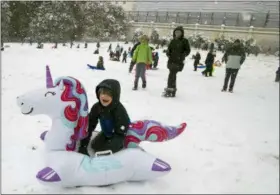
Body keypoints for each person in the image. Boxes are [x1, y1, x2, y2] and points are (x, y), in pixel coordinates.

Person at [78, 79, 131, 156]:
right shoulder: (97, 107)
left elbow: (122, 130)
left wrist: (113, 142)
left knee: (106, 151)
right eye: (102, 93)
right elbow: (89, 126)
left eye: (109, 94)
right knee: (95, 146)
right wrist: (83, 146)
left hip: (120, 135)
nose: (104, 96)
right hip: (107, 133)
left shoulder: (119, 110)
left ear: (115, 95)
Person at [163, 26, 191, 97]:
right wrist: (168, 53)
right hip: (171, 60)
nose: (177, 33)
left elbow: (188, 50)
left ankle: (170, 89)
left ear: (182, 33)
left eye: (179, 32)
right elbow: (169, 49)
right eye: (176, 32)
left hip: (178, 61)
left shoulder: (184, 41)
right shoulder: (173, 41)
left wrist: (183, 55)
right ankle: (172, 89)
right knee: (172, 75)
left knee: (172, 75)